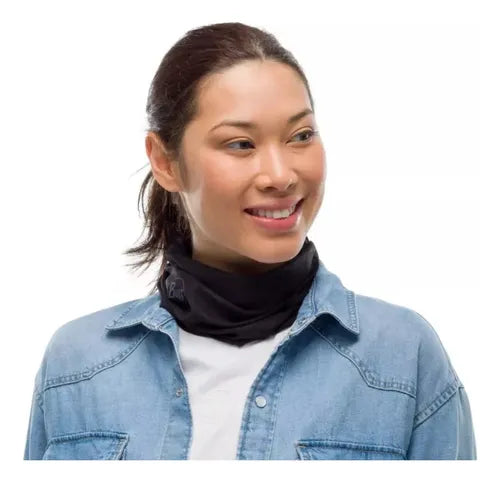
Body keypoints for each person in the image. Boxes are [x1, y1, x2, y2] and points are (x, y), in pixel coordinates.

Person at [23, 22, 477, 460]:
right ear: (165, 162)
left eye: (301, 136)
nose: (280, 175)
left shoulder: (403, 357)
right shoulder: (76, 367)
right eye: (240, 144)